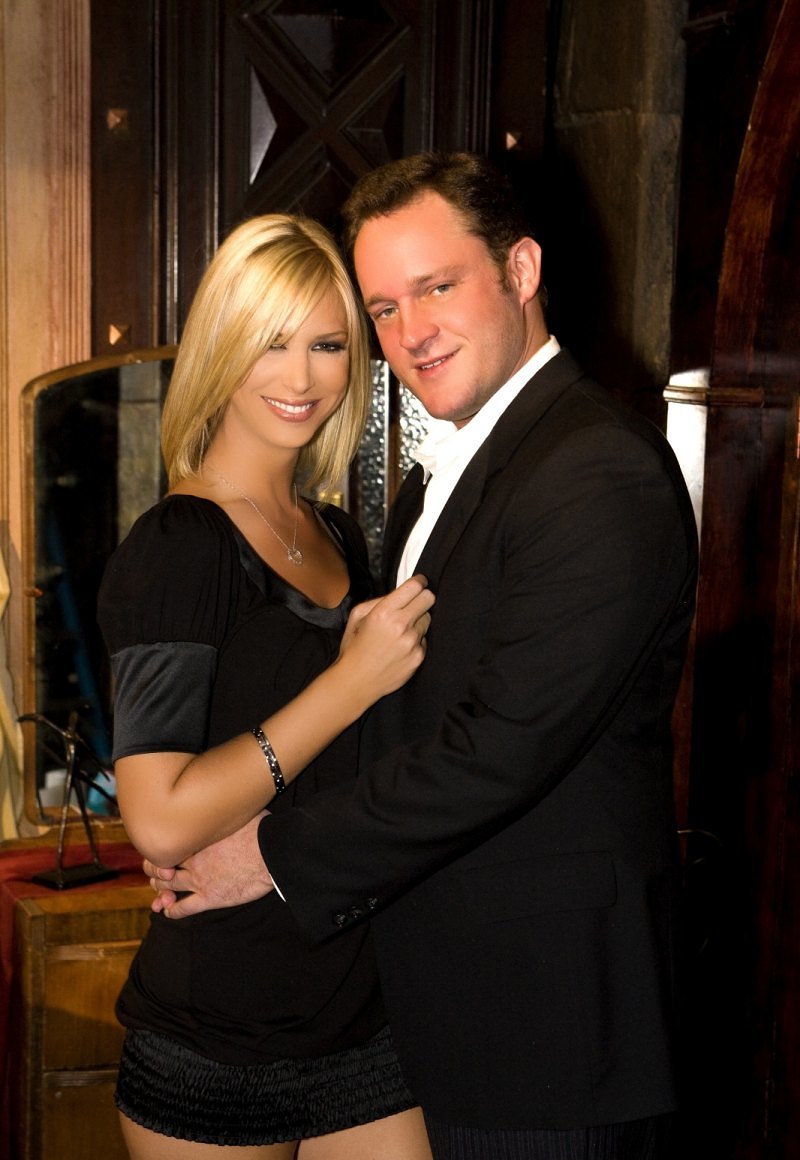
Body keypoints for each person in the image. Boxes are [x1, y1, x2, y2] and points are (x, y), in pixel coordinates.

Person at [147, 153, 699, 1159]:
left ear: (521, 270)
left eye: (436, 287)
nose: (410, 333)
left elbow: (495, 750)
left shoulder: (595, 469)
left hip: (548, 1030)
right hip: (434, 1016)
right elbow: (397, 717)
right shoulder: (435, 481)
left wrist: (270, 851)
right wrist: (217, 809)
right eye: (384, 309)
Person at [96, 212, 436, 1159]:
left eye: (328, 345)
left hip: (361, 1015)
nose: (302, 377)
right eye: (271, 342)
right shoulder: (179, 547)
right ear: (222, 349)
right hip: (215, 1033)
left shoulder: (335, 534)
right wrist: (351, 682)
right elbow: (160, 820)